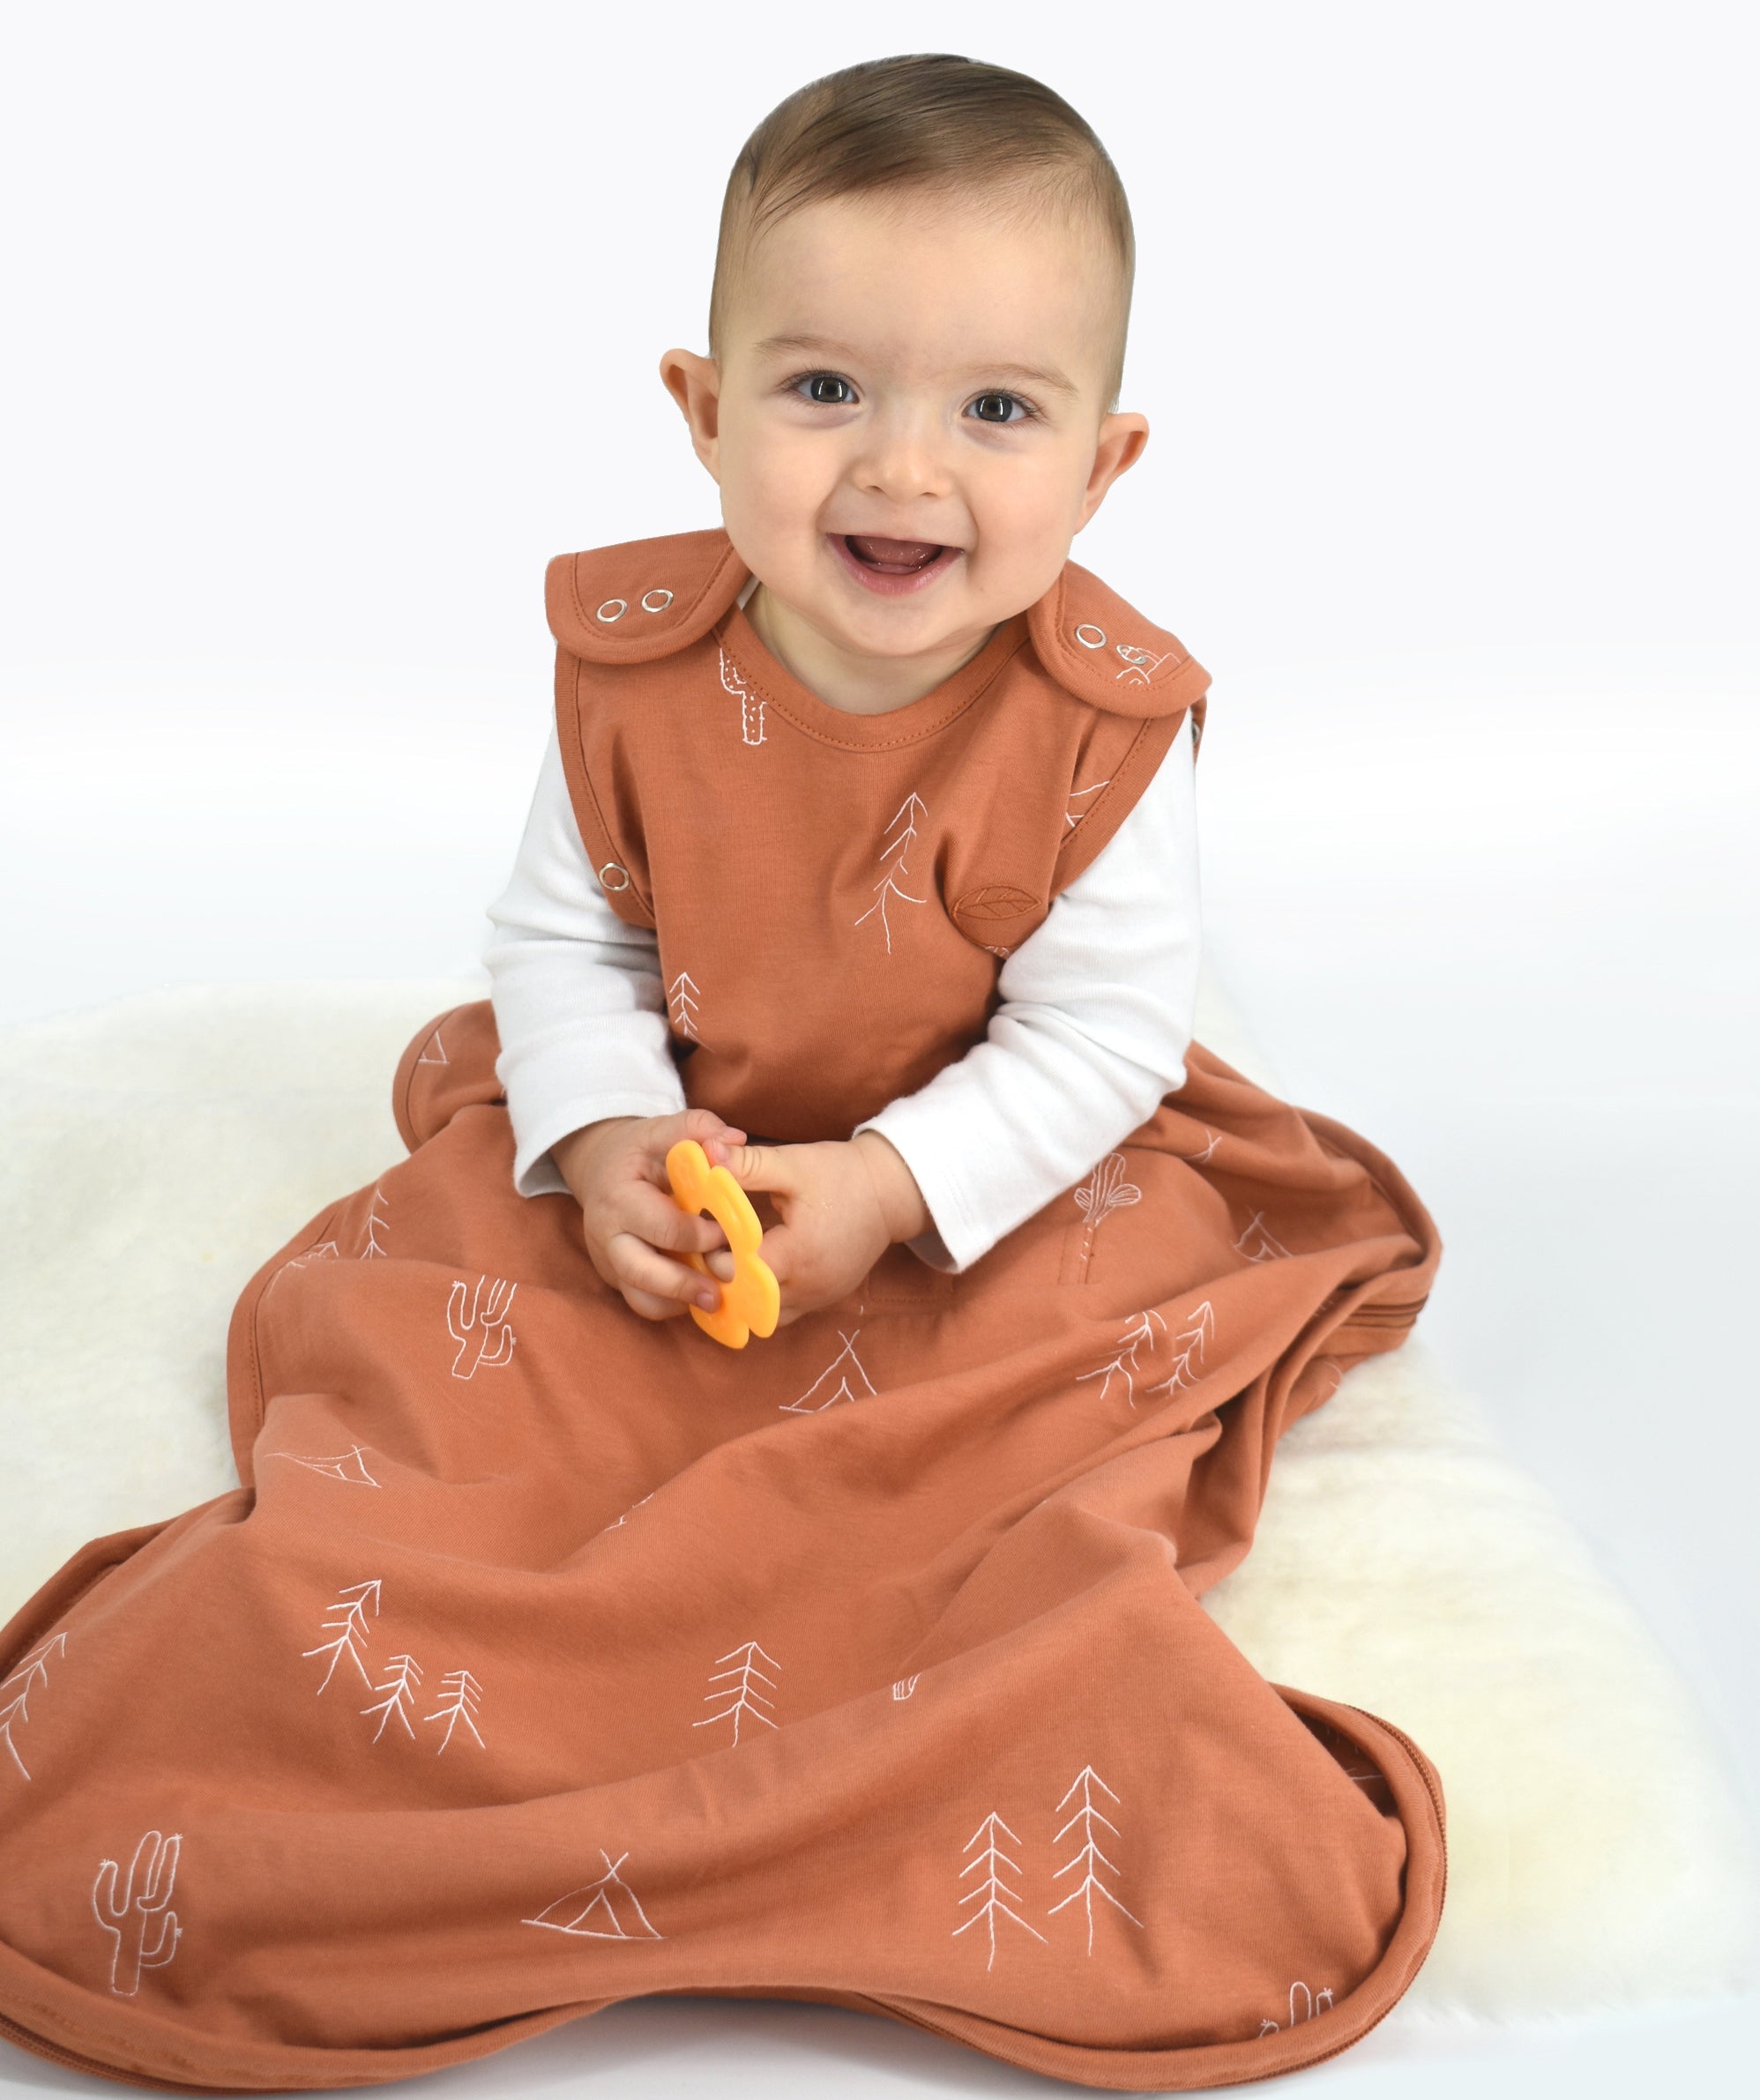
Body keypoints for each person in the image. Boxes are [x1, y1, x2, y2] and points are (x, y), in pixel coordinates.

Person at [0, 54, 1444, 2094]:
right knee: (458, 1376)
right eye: (824, 388)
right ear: (703, 408)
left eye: (996, 411)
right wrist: (602, 1135)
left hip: (980, 1173)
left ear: (1103, 463)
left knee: (1025, 1438)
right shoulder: (636, 664)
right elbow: (565, 943)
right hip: (685, 1127)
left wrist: (897, 1185)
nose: (901, 471)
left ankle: (961, 1710)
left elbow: (1096, 1038)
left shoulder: (1100, 724)